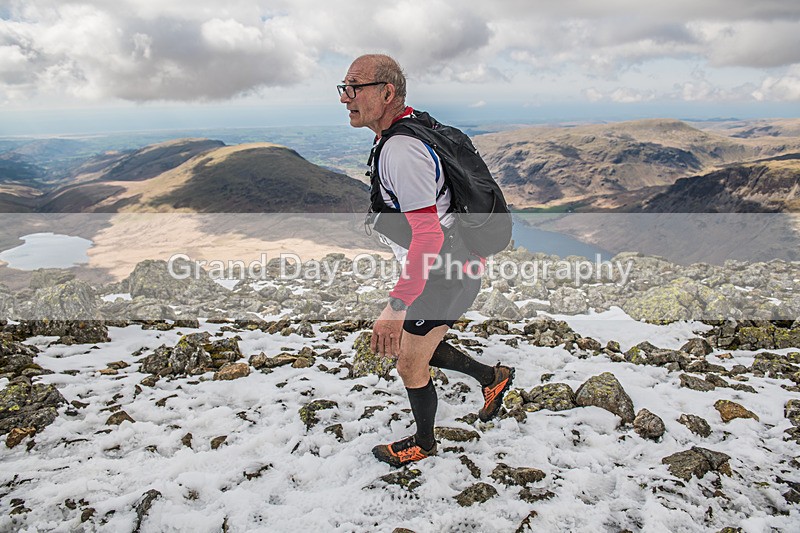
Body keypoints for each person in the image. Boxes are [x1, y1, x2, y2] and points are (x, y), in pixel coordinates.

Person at [338, 53, 515, 467]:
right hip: (453, 263)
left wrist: (395, 305)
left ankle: (424, 442)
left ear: (387, 92)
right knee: (417, 344)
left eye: (355, 88)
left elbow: (428, 234)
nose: (346, 97)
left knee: (408, 361)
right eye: (343, 88)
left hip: (446, 271)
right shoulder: (411, 127)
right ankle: (493, 378)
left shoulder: (402, 150)